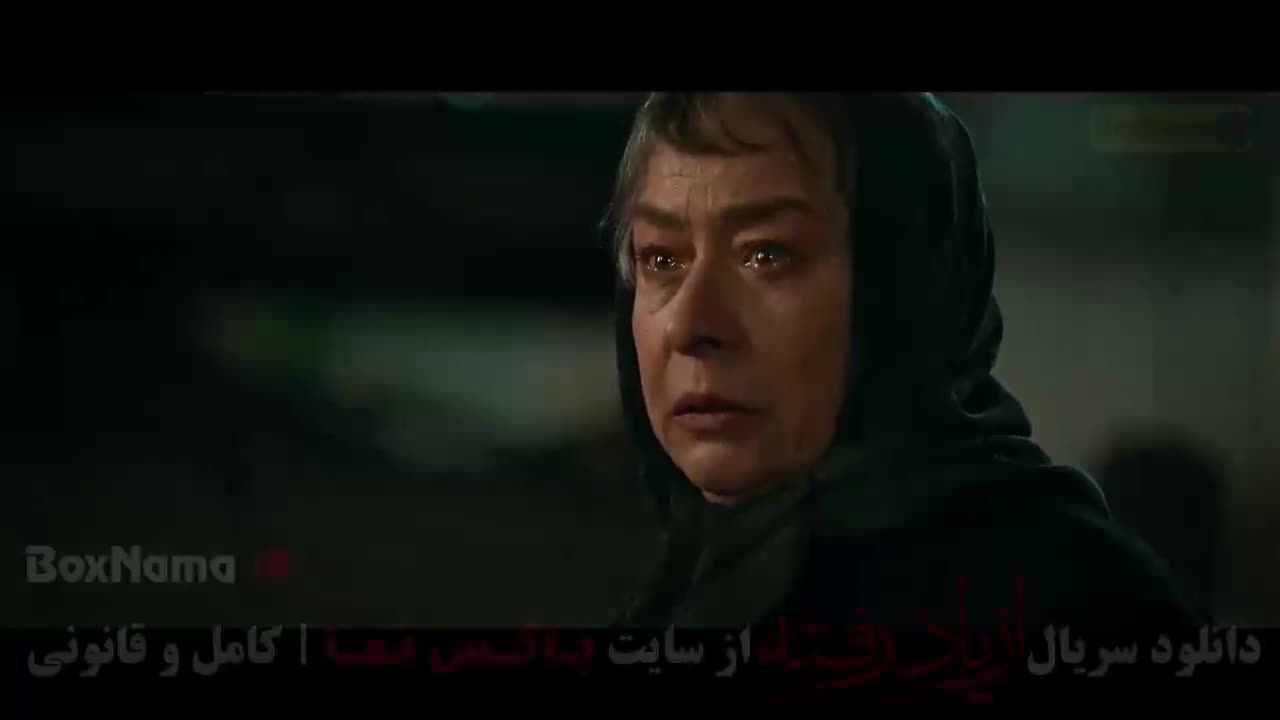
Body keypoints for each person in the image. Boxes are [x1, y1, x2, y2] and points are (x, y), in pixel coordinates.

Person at [603, 93, 1203, 645]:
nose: (691, 325)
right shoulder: (664, 583)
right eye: (661, 258)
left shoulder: (1077, 605)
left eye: (767, 253)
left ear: (901, 286)